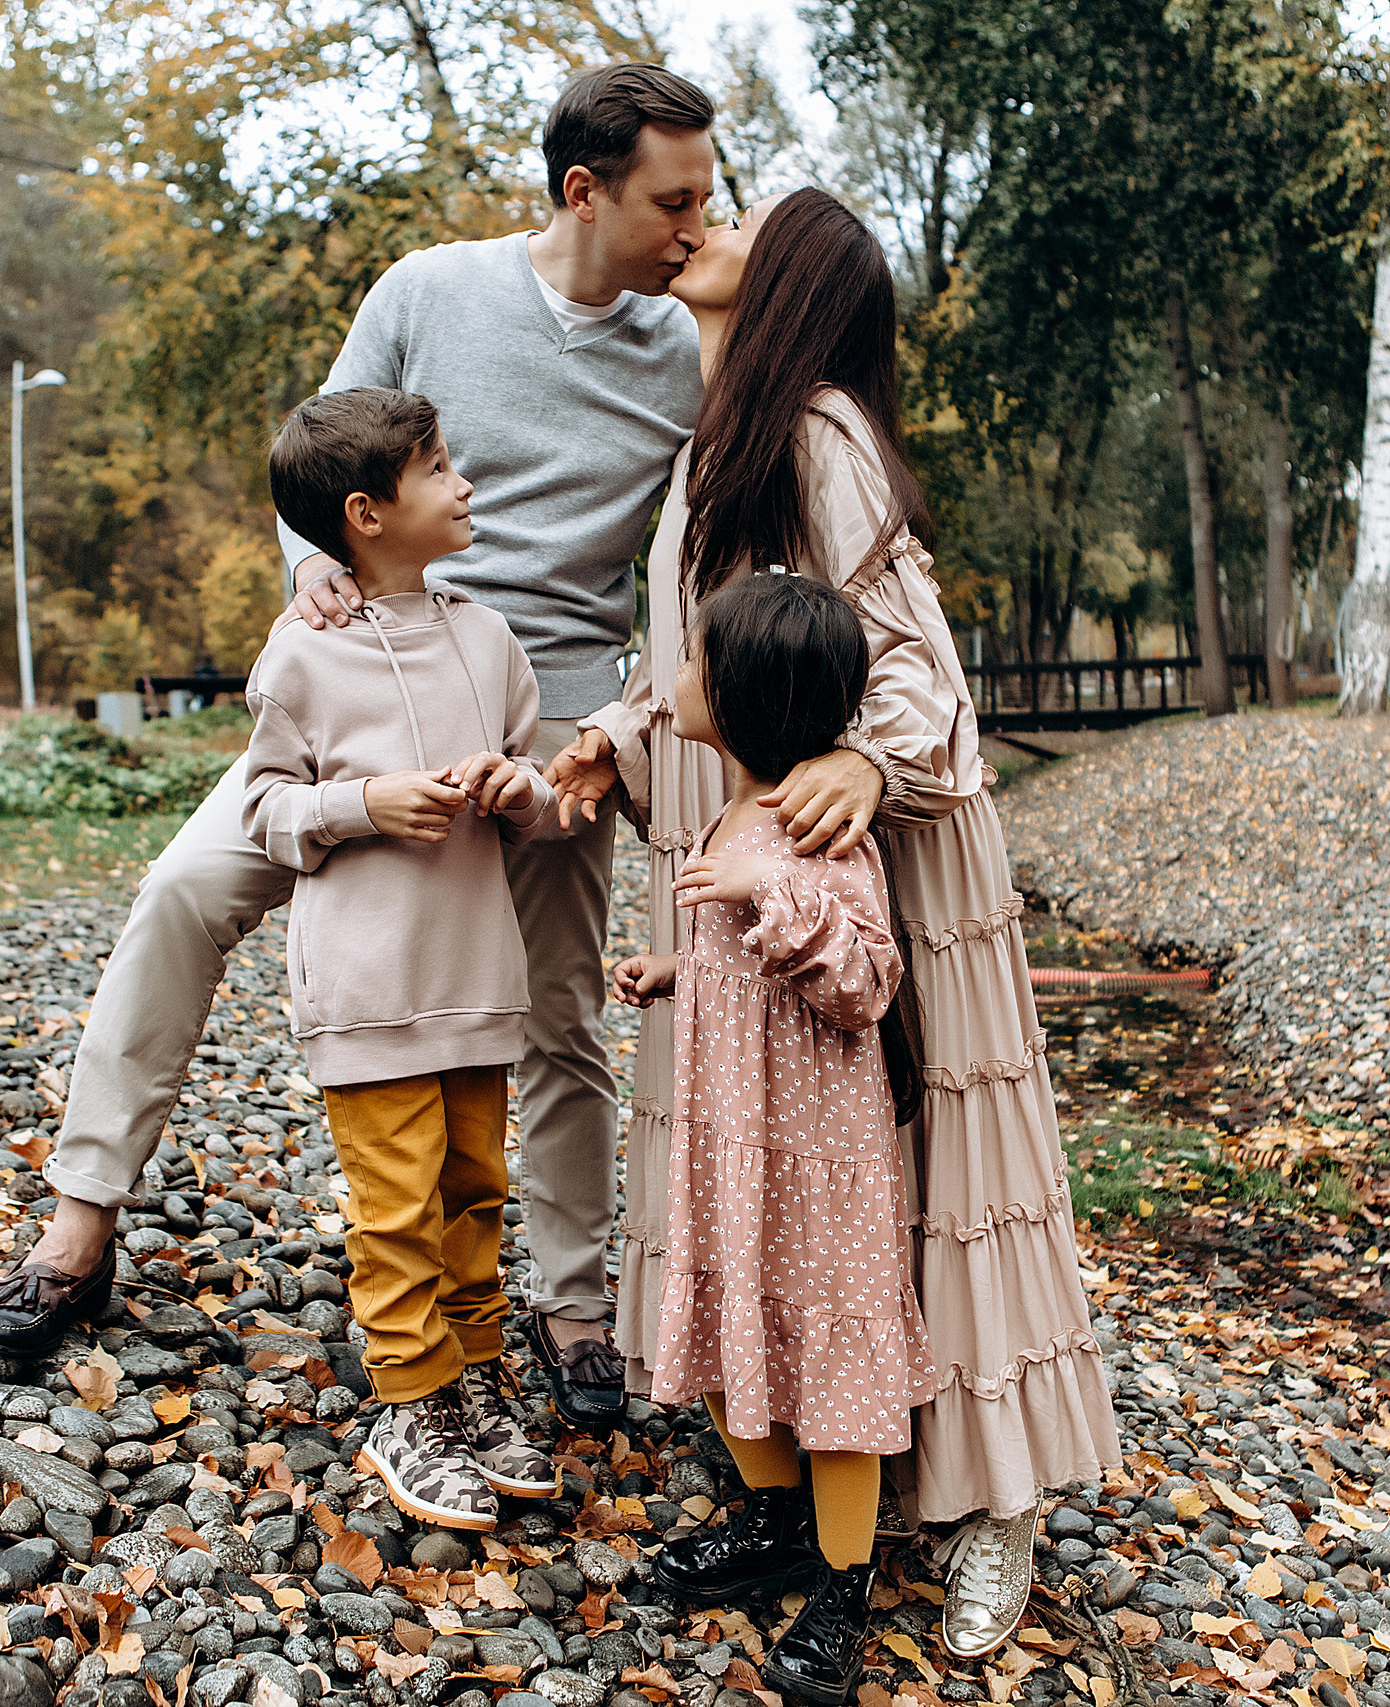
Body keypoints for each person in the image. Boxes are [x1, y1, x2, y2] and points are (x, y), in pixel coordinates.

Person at [0, 65, 720, 1427]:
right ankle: (79, 1222)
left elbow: (691, 561)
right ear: (584, 189)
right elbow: (320, 456)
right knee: (184, 891)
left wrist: (613, 723)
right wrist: (311, 572)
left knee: (554, 1005)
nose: (694, 228)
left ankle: (570, 1301)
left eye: (706, 203)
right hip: (364, 667)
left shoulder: (683, 351)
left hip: (541, 704)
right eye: (674, 202)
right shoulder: (428, 290)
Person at [548, 188, 1121, 1663]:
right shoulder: (720, 441)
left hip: (873, 863)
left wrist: (869, 761)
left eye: (735, 211)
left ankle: (995, 1493)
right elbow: (709, 667)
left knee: (933, 1175)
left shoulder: (819, 432)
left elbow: (914, 659)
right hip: (746, 863)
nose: (699, 222)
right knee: (787, 1181)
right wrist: (612, 736)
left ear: (795, 275)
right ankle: (803, 1495)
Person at [614, 572, 936, 1706]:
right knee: (711, 1323)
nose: (680, 680)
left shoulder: (814, 827)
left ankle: (843, 1581)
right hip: (727, 1152)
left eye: (697, 664)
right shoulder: (732, 813)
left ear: (744, 697)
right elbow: (737, 962)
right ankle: (776, 1521)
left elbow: (865, 979)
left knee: (835, 1372)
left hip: (817, 1166)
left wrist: (770, 893)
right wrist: (674, 969)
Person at [239, 387, 558, 1531]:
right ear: (367, 515)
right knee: (396, 1209)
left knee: (476, 1191)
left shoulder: (485, 633)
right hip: (370, 992)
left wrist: (520, 790)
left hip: (477, 977)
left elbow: (539, 788)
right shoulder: (301, 657)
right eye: (439, 470)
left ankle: (472, 1379)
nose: (464, 484)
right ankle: (406, 1401)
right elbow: (260, 812)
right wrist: (363, 804)